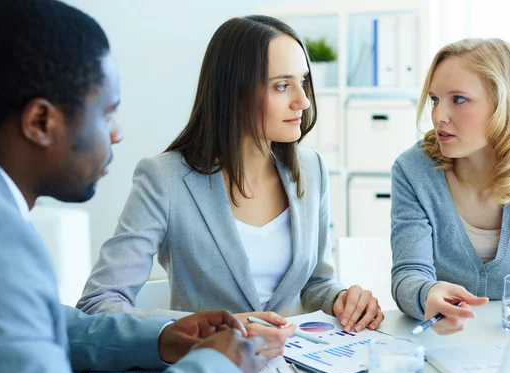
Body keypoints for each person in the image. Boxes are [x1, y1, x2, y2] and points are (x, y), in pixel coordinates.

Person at [0, 1, 266, 373]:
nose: (116, 133)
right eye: (106, 114)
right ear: (40, 123)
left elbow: (24, 325)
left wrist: (162, 337)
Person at [77, 15, 385, 349]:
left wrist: (342, 298)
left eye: (304, 82)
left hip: (294, 370)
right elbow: (98, 305)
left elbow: (315, 282)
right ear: (233, 92)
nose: (303, 101)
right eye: (282, 86)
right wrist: (210, 330)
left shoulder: (312, 169)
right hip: (208, 372)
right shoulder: (164, 179)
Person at [390, 38, 510, 335]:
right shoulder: (413, 171)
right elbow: (408, 275)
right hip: (441, 339)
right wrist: (428, 295)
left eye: (458, 99)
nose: (438, 116)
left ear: (504, 104)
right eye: (435, 99)